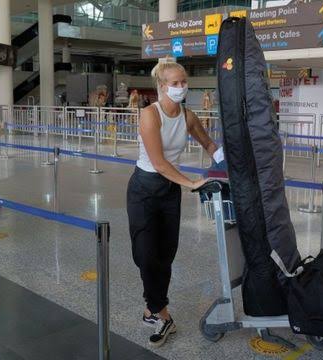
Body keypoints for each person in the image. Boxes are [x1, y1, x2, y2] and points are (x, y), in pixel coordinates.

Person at [127, 61, 224, 347]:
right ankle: (161, 310)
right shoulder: (149, 115)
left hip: (169, 192)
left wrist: (224, 162)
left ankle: (155, 311)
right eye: (175, 82)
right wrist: (192, 183)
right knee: (144, 254)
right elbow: (158, 162)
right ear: (161, 85)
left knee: (165, 253)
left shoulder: (188, 116)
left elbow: (209, 145)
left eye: (184, 82)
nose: (181, 87)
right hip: (144, 188)